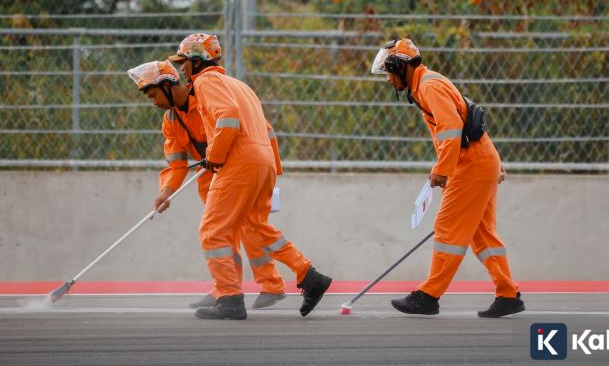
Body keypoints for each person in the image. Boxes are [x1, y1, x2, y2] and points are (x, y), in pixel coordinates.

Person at [168, 33, 332, 320]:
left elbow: (228, 116)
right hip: (262, 160)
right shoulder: (239, 85)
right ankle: (309, 275)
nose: (182, 70)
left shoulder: (205, 82)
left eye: (184, 63)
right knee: (256, 227)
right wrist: (272, 166)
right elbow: (268, 130)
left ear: (197, 61)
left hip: (239, 162)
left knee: (213, 231)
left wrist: (215, 156)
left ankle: (229, 298)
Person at [371, 37, 525, 318]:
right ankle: (508, 294)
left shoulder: (428, 86)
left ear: (400, 67)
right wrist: (494, 164)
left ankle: (429, 296)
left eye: (389, 73)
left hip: (471, 166)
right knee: (482, 234)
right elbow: (469, 122)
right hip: (480, 162)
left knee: (447, 228)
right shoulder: (426, 84)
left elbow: (453, 129)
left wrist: (442, 170)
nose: (388, 80)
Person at [126, 59, 287, 310]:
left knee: (248, 227)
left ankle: (270, 284)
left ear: (169, 86)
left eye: (155, 95)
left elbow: (255, 129)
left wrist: (272, 170)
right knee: (222, 236)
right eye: (151, 98)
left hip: (239, 169)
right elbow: (176, 164)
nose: (154, 101)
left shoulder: (206, 97)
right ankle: (224, 290)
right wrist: (166, 191)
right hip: (209, 178)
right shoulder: (171, 122)